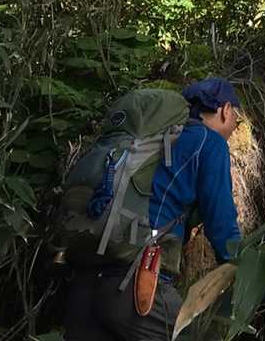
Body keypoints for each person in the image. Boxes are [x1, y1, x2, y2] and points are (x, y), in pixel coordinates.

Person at [61, 77, 244, 340]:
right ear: (225, 110)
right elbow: (221, 221)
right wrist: (242, 266)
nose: (236, 127)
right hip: (136, 285)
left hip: (84, 284)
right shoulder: (209, 143)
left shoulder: (151, 140)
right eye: (237, 118)